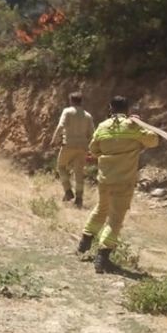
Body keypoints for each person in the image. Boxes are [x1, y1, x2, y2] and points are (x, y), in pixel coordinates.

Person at [77, 96, 158, 273]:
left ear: (110, 108)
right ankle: (102, 256)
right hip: (123, 181)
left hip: (105, 180)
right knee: (115, 219)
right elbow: (153, 140)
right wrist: (140, 124)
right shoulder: (132, 126)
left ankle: (84, 242)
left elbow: (93, 149)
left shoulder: (103, 126)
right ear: (127, 109)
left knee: (101, 208)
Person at [51, 92, 94, 208]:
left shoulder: (67, 111)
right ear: (81, 101)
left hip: (69, 145)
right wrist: (92, 149)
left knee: (61, 166)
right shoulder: (88, 116)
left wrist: (54, 140)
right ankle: (79, 198)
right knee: (79, 172)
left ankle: (68, 191)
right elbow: (92, 134)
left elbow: (60, 126)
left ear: (71, 101)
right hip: (83, 147)